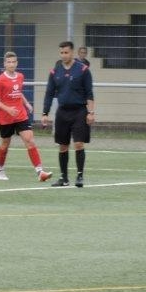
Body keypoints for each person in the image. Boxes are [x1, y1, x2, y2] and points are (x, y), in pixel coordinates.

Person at [0, 51, 52, 183]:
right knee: (5, 144)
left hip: (20, 115)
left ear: (17, 63)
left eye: (13, 62)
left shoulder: (20, 76)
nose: (11, 64)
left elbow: (18, 92)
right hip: (5, 118)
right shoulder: (0, 80)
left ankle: (40, 172)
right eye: (9, 62)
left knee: (30, 140)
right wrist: (8, 109)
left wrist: (27, 103)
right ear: (5, 64)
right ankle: (0, 170)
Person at [42, 40, 95, 187]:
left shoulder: (83, 70)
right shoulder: (55, 71)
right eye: (61, 52)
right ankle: (64, 178)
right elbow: (49, 93)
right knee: (63, 146)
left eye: (66, 52)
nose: (63, 55)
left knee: (78, 144)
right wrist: (45, 113)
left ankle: (80, 176)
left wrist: (91, 112)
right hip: (62, 112)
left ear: (72, 52)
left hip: (79, 111)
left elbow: (89, 93)